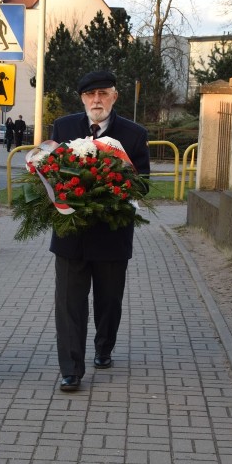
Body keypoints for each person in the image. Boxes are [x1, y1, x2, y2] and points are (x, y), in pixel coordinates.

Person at [49, 70, 150, 392]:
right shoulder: (64, 128)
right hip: (71, 234)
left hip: (112, 235)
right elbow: (50, 173)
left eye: (104, 93)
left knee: (108, 301)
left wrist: (115, 187)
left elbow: (144, 183)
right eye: (91, 95)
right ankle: (71, 369)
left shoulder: (133, 134)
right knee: (69, 304)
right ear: (82, 99)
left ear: (114, 96)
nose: (97, 100)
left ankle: (104, 348)